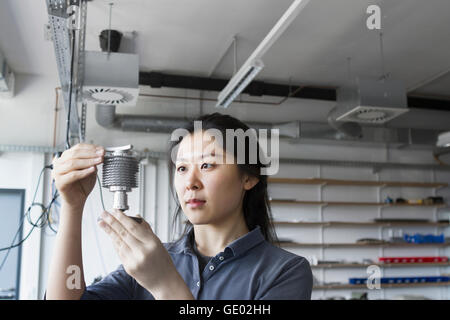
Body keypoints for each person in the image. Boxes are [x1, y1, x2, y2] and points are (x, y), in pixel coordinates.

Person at [46, 112, 313, 300]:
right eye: (182, 168)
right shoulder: (154, 260)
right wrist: (72, 206)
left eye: (207, 165)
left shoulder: (285, 272)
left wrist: (164, 285)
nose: (190, 182)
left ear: (249, 177)